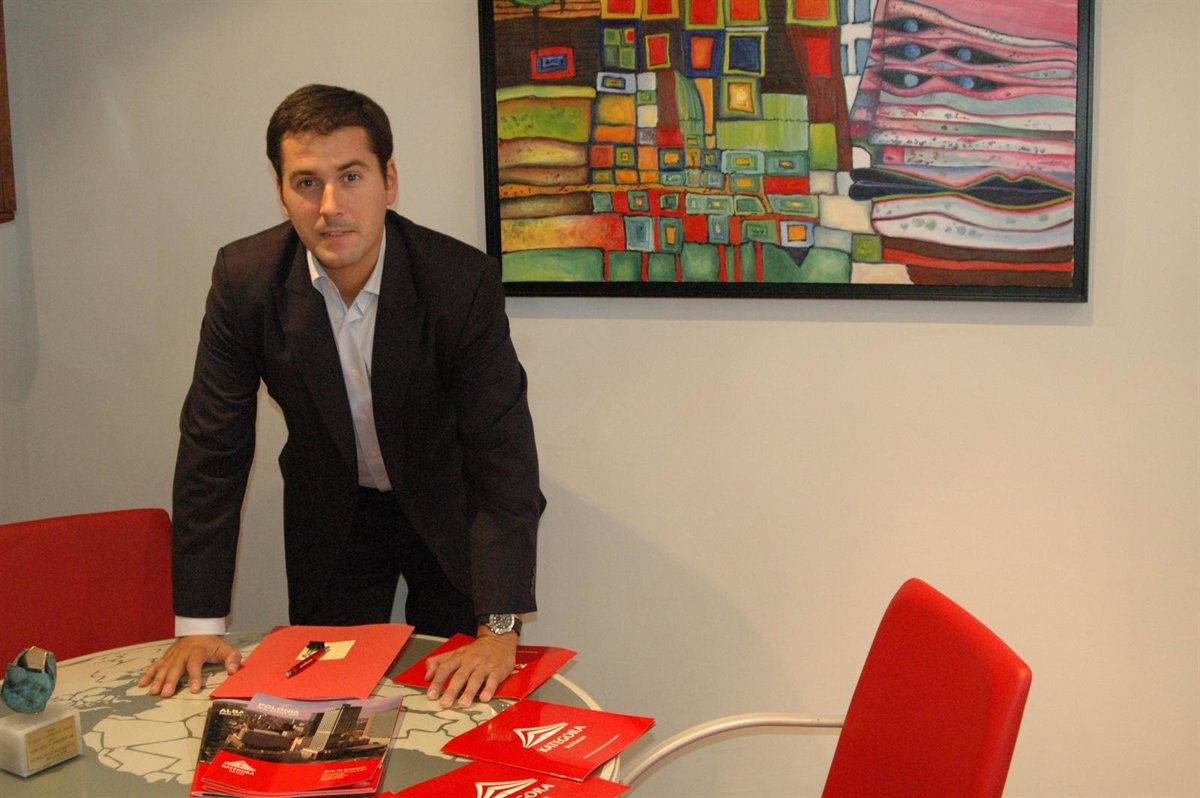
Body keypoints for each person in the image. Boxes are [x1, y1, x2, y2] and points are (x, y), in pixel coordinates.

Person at [138, 84, 543, 708]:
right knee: (324, 707)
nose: (330, 206)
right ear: (281, 192)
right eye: (307, 182)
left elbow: (503, 456)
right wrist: (198, 626)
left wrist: (500, 628)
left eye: (351, 177)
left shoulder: (458, 281)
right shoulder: (245, 281)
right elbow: (212, 452)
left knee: (463, 697)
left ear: (389, 181)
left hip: (449, 507)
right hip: (332, 512)